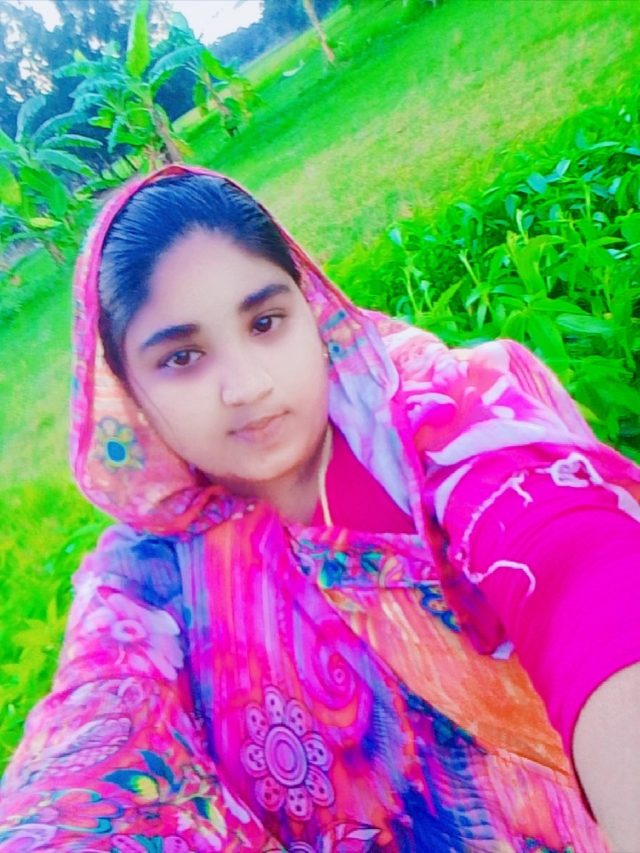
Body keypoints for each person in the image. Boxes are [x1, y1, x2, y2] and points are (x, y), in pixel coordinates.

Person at [0, 164, 639, 853]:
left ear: (312, 312)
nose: (247, 385)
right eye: (182, 357)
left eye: (265, 322)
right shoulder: (147, 581)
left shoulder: (439, 418)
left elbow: (570, 564)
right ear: (128, 392)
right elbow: (87, 756)